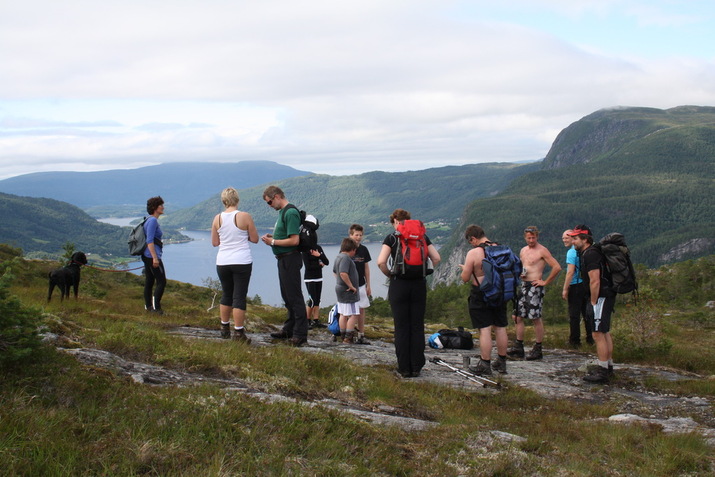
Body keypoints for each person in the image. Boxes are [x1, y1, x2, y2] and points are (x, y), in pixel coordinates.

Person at [377, 209, 441, 378]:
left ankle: (404, 367)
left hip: (399, 285)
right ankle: (417, 366)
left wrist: (390, 274)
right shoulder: (422, 237)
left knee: (401, 326)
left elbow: (381, 262)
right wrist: (424, 273)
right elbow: (436, 258)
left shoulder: (391, 238)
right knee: (417, 325)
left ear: (394, 222)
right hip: (419, 285)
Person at [260, 185, 309, 347]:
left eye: (269, 202)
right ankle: (289, 328)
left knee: (294, 296)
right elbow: (286, 235)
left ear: (277, 197)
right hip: (283, 259)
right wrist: (273, 237)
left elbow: (294, 240)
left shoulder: (290, 212)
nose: (269, 206)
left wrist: (273, 242)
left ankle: (300, 334)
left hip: (290, 258)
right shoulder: (283, 212)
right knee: (287, 295)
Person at [568, 225, 617, 383]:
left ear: (585, 239)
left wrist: (593, 301)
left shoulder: (590, 254)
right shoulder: (592, 252)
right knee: (604, 331)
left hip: (600, 296)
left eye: (576, 238)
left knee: (597, 333)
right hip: (606, 294)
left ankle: (602, 371)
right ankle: (608, 366)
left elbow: (595, 280)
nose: (573, 241)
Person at [459, 225, 509, 376]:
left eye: (470, 241)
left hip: (481, 293)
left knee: (485, 329)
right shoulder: (501, 249)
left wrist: (464, 270)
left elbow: (466, 278)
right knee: (500, 327)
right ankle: (501, 362)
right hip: (500, 292)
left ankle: (485, 364)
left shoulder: (474, 253)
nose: (471, 244)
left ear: (473, 238)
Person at [211, 187, 259, 343]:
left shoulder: (217, 218)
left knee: (226, 294)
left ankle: (224, 328)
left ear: (224, 201)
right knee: (239, 297)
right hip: (241, 261)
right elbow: (255, 238)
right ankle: (239, 333)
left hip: (223, 261)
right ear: (237, 200)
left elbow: (215, 242)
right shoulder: (244, 216)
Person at [508, 226, 562, 360]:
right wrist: (519, 273)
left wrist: (545, 282)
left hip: (535, 286)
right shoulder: (523, 250)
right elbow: (522, 265)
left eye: (533, 237)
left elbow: (557, 267)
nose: (531, 240)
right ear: (525, 238)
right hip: (523, 285)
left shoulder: (542, 251)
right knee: (517, 316)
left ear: (537, 237)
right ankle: (518, 346)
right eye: (529, 238)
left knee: (535, 317)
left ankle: (538, 348)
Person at [561, 229, 593, 347]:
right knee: (587, 313)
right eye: (563, 238)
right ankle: (591, 339)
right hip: (586, 284)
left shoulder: (571, 252)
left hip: (575, 285)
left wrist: (565, 288)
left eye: (567, 237)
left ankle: (574, 341)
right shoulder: (585, 250)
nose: (565, 240)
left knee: (574, 314)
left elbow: (570, 272)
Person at [142, 196, 167, 314]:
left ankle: (148, 307)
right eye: (160, 205)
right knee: (161, 281)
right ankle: (156, 308)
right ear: (154, 207)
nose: (163, 207)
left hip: (147, 256)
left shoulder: (148, 220)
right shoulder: (152, 221)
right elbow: (149, 241)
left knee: (150, 281)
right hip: (152, 256)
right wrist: (155, 258)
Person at [333, 237, 361, 343]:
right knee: (353, 314)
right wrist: (351, 286)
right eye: (355, 250)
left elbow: (335, 272)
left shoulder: (338, 257)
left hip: (340, 289)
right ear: (352, 249)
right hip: (349, 291)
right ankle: (348, 338)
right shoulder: (346, 258)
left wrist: (340, 283)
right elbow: (343, 273)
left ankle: (343, 335)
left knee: (343, 314)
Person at [349, 224, 372, 345]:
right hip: (349, 286)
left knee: (361, 310)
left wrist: (369, 284)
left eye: (360, 235)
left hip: (361, 284)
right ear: (351, 235)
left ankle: (361, 334)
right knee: (349, 311)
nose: (358, 237)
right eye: (356, 235)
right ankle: (348, 334)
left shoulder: (364, 250)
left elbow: (366, 268)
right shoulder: (346, 249)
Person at [302, 227, 329, 329]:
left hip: (319, 277)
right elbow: (308, 267)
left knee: (317, 299)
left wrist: (319, 255)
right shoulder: (305, 251)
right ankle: (307, 320)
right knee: (312, 300)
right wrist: (320, 265)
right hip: (309, 278)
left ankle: (316, 320)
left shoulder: (318, 248)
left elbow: (327, 262)